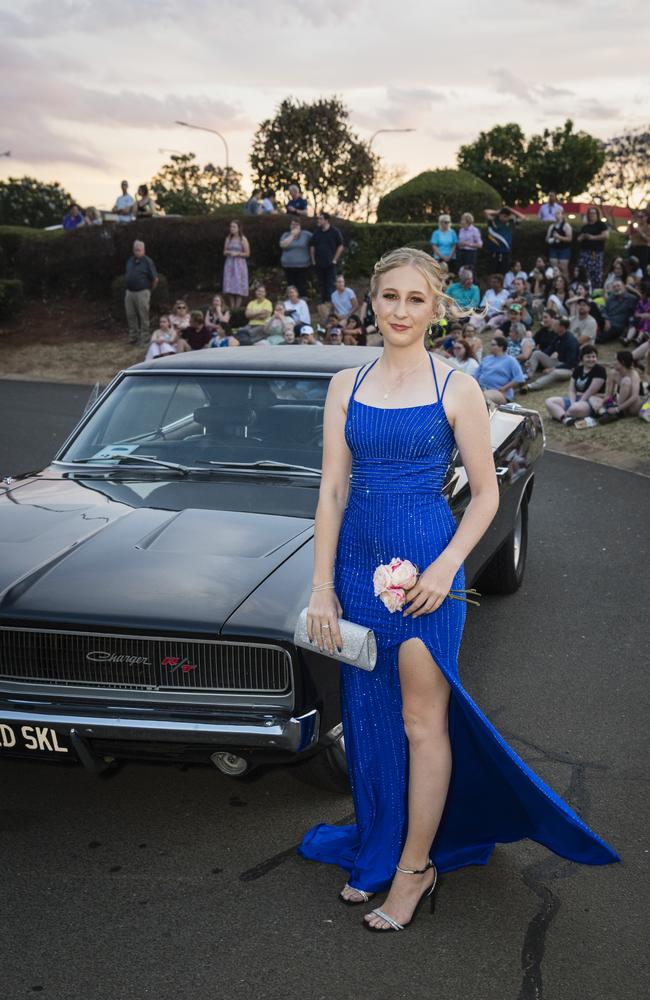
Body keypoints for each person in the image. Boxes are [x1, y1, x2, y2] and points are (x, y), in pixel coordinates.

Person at [298, 246, 618, 931]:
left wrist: (445, 569)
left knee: (421, 721)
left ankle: (415, 870)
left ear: (436, 307)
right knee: (369, 714)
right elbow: (330, 492)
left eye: (416, 299)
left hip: (426, 573)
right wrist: (322, 587)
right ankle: (381, 847)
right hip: (356, 568)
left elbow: (484, 495)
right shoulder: (344, 387)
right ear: (370, 302)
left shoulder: (456, 387)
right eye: (389, 297)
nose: (401, 311)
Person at [545, 345, 607, 424]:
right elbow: (572, 390)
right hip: (577, 398)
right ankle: (565, 419)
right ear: (582, 358)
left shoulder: (600, 370)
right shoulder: (578, 369)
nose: (591, 359)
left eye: (594, 357)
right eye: (588, 357)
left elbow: (591, 391)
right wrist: (572, 403)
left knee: (575, 409)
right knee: (549, 401)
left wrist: (577, 404)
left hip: (591, 400)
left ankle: (560, 414)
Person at [521, 316, 579, 391]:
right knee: (537, 353)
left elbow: (571, 363)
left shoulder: (571, 341)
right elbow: (547, 352)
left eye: (555, 325)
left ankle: (531, 386)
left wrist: (553, 368)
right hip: (559, 363)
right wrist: (530, 362)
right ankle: (527, 376)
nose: (553, 326)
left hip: (570, 369)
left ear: (562, 327)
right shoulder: (558, 337)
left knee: (555, 372)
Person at [588, 350, 643, 422]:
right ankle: (604, 413)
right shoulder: (613, 373)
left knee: (626, 380)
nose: (613, 362)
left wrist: (617, 409)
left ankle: (616, 412)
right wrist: (600, 404)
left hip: (633, 406)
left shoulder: (633, 374)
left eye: (615, 360)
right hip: (619, 400)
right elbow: (609, 395)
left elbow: (634, 397)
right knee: (592, 397)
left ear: (622, 362)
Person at [473, 334, 527, 402]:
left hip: (500, 392)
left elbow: (519, 378)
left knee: (483, 397)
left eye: (493, 345)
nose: (490, 347)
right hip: (481, 388)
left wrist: (504, 388)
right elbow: (476, 375)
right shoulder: (486, 359)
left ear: (501, 347)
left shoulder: (510, 360)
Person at [124, 240, 158, 345]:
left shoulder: (148, 261)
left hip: (142, 292)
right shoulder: (130, 261)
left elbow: (155, 279)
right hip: (129, 292)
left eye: (139, 250)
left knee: (143, 315)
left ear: (144, 250)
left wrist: (149, 290)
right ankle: (133, 337)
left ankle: (145, 337)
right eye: (135, 250)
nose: (137, 252)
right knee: (130, 315)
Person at [311, 212, 344, 304]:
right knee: (321, 284)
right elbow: (312, 246)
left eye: (320, 219)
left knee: (331, 284)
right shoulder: (316, 232)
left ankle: (332, 303)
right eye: (318, 219)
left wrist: (334, 259)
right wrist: (313, 260)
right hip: (318, 263)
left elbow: (340, 246)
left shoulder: (334, 231)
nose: (318, 220)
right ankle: (323, 304)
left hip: (330, 263)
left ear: (326, 220)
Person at [483, 205, 526, 274]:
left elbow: (523, 217)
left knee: (504, 272)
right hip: (494, 251)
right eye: (504, 216)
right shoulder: (493, 221)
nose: (506, 218)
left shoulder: (511, 223)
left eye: (507, 216)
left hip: (506, 252)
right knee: (492, 271)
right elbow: (485, 212)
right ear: (499, 215)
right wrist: (499, 211)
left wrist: (511, 210)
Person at [576, 207, 609, 290]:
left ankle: (596, 290)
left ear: (597, 214)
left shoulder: (601, 225)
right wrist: (583, 236)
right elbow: (578, 239)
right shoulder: (585, 227)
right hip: (584, 253)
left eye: (594, 213)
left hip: (596, 253)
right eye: (590, 213)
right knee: (583, 271)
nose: (592, 215)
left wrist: (592, 237)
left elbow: (606, 236)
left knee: (595, 273)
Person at [279, 219, 312, 296]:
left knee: (302, 285)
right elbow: (283, 245)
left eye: (296, 224)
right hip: (288, 265)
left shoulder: (306, 235)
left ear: (300, 226)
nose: (294, 226)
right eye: (292, 224)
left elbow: (316, 241)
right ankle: (291, 302)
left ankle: (302, 301)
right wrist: (292, 235)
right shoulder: (285, 235)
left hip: (303, 266)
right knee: (291, 286)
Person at [222, 220, 250, 309]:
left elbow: (247, 253)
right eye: (231, 227)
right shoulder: (228, 238)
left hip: (239, 264)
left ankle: (237, 308)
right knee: (229, 285)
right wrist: (229, 252)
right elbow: (224, 251)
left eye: (234, 227)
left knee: (238, 285)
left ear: (238, 228)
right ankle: (231, 306)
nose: (232, 229)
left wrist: (238, 254)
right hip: (230, 263)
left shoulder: (243, 239)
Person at [546, 210, 573, 280]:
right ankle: (555, 283)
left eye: (558, 213)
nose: (556, 215)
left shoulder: (566, 226)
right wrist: (551, 240)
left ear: (562, 215)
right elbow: (547, 238)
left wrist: (559, 237)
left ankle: (566, 284)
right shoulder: (552, 226)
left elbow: (569, 238)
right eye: (555, 213)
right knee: (554, 268)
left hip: (564, 249)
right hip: (553, 249)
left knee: (563, 269)